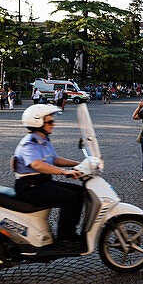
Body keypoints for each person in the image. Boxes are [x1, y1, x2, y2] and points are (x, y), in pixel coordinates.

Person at [13, 104, 86, 252]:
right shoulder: (30, 143)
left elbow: (55, 159)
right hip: (29, 186)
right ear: (38, 122)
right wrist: (63, 172)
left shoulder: (43, 139)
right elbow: (37, 165)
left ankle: (70, 234)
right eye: (50, 122)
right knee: (70, 197)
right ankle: (64, 239)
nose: (54, 124)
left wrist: (80, 164)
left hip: (41, 182)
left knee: (80, 192)